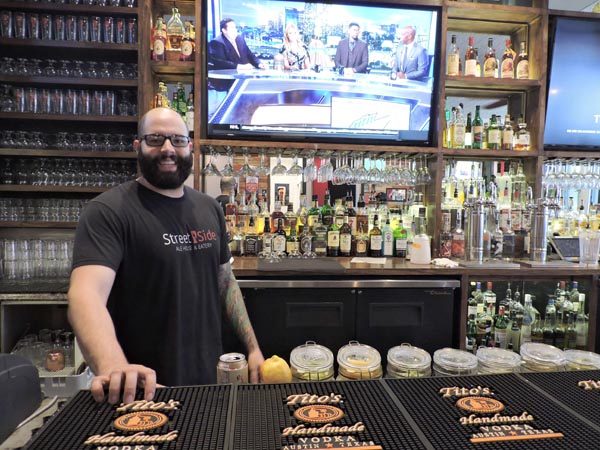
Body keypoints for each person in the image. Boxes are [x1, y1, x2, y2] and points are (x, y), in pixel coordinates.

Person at [68, 107, 264, 404]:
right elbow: (86, 296)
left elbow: (225, 282)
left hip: (210, 384)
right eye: (156, 139)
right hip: (143, 391)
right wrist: (114, 367)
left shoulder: (209, 208)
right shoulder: (108, 212)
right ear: (138, 146)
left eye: (177, 140)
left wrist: (252, 348)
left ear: (190, 147)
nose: (168, 149)